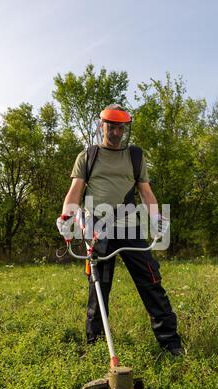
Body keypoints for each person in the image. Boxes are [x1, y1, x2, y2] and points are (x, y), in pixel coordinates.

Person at [57, 104, 184, 357]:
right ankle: (93, 345)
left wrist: (158, 219)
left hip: (131, 229)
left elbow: (146, 193)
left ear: (126, 128)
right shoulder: (88, 156)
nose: (116, 132)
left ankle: (171, 344)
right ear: (101, 125)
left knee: (151, 281)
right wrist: (66, 217)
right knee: (99, 289)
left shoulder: (135, 157)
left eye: (121, 127)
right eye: (111, 126)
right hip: (98, 231)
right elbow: (75, 192)